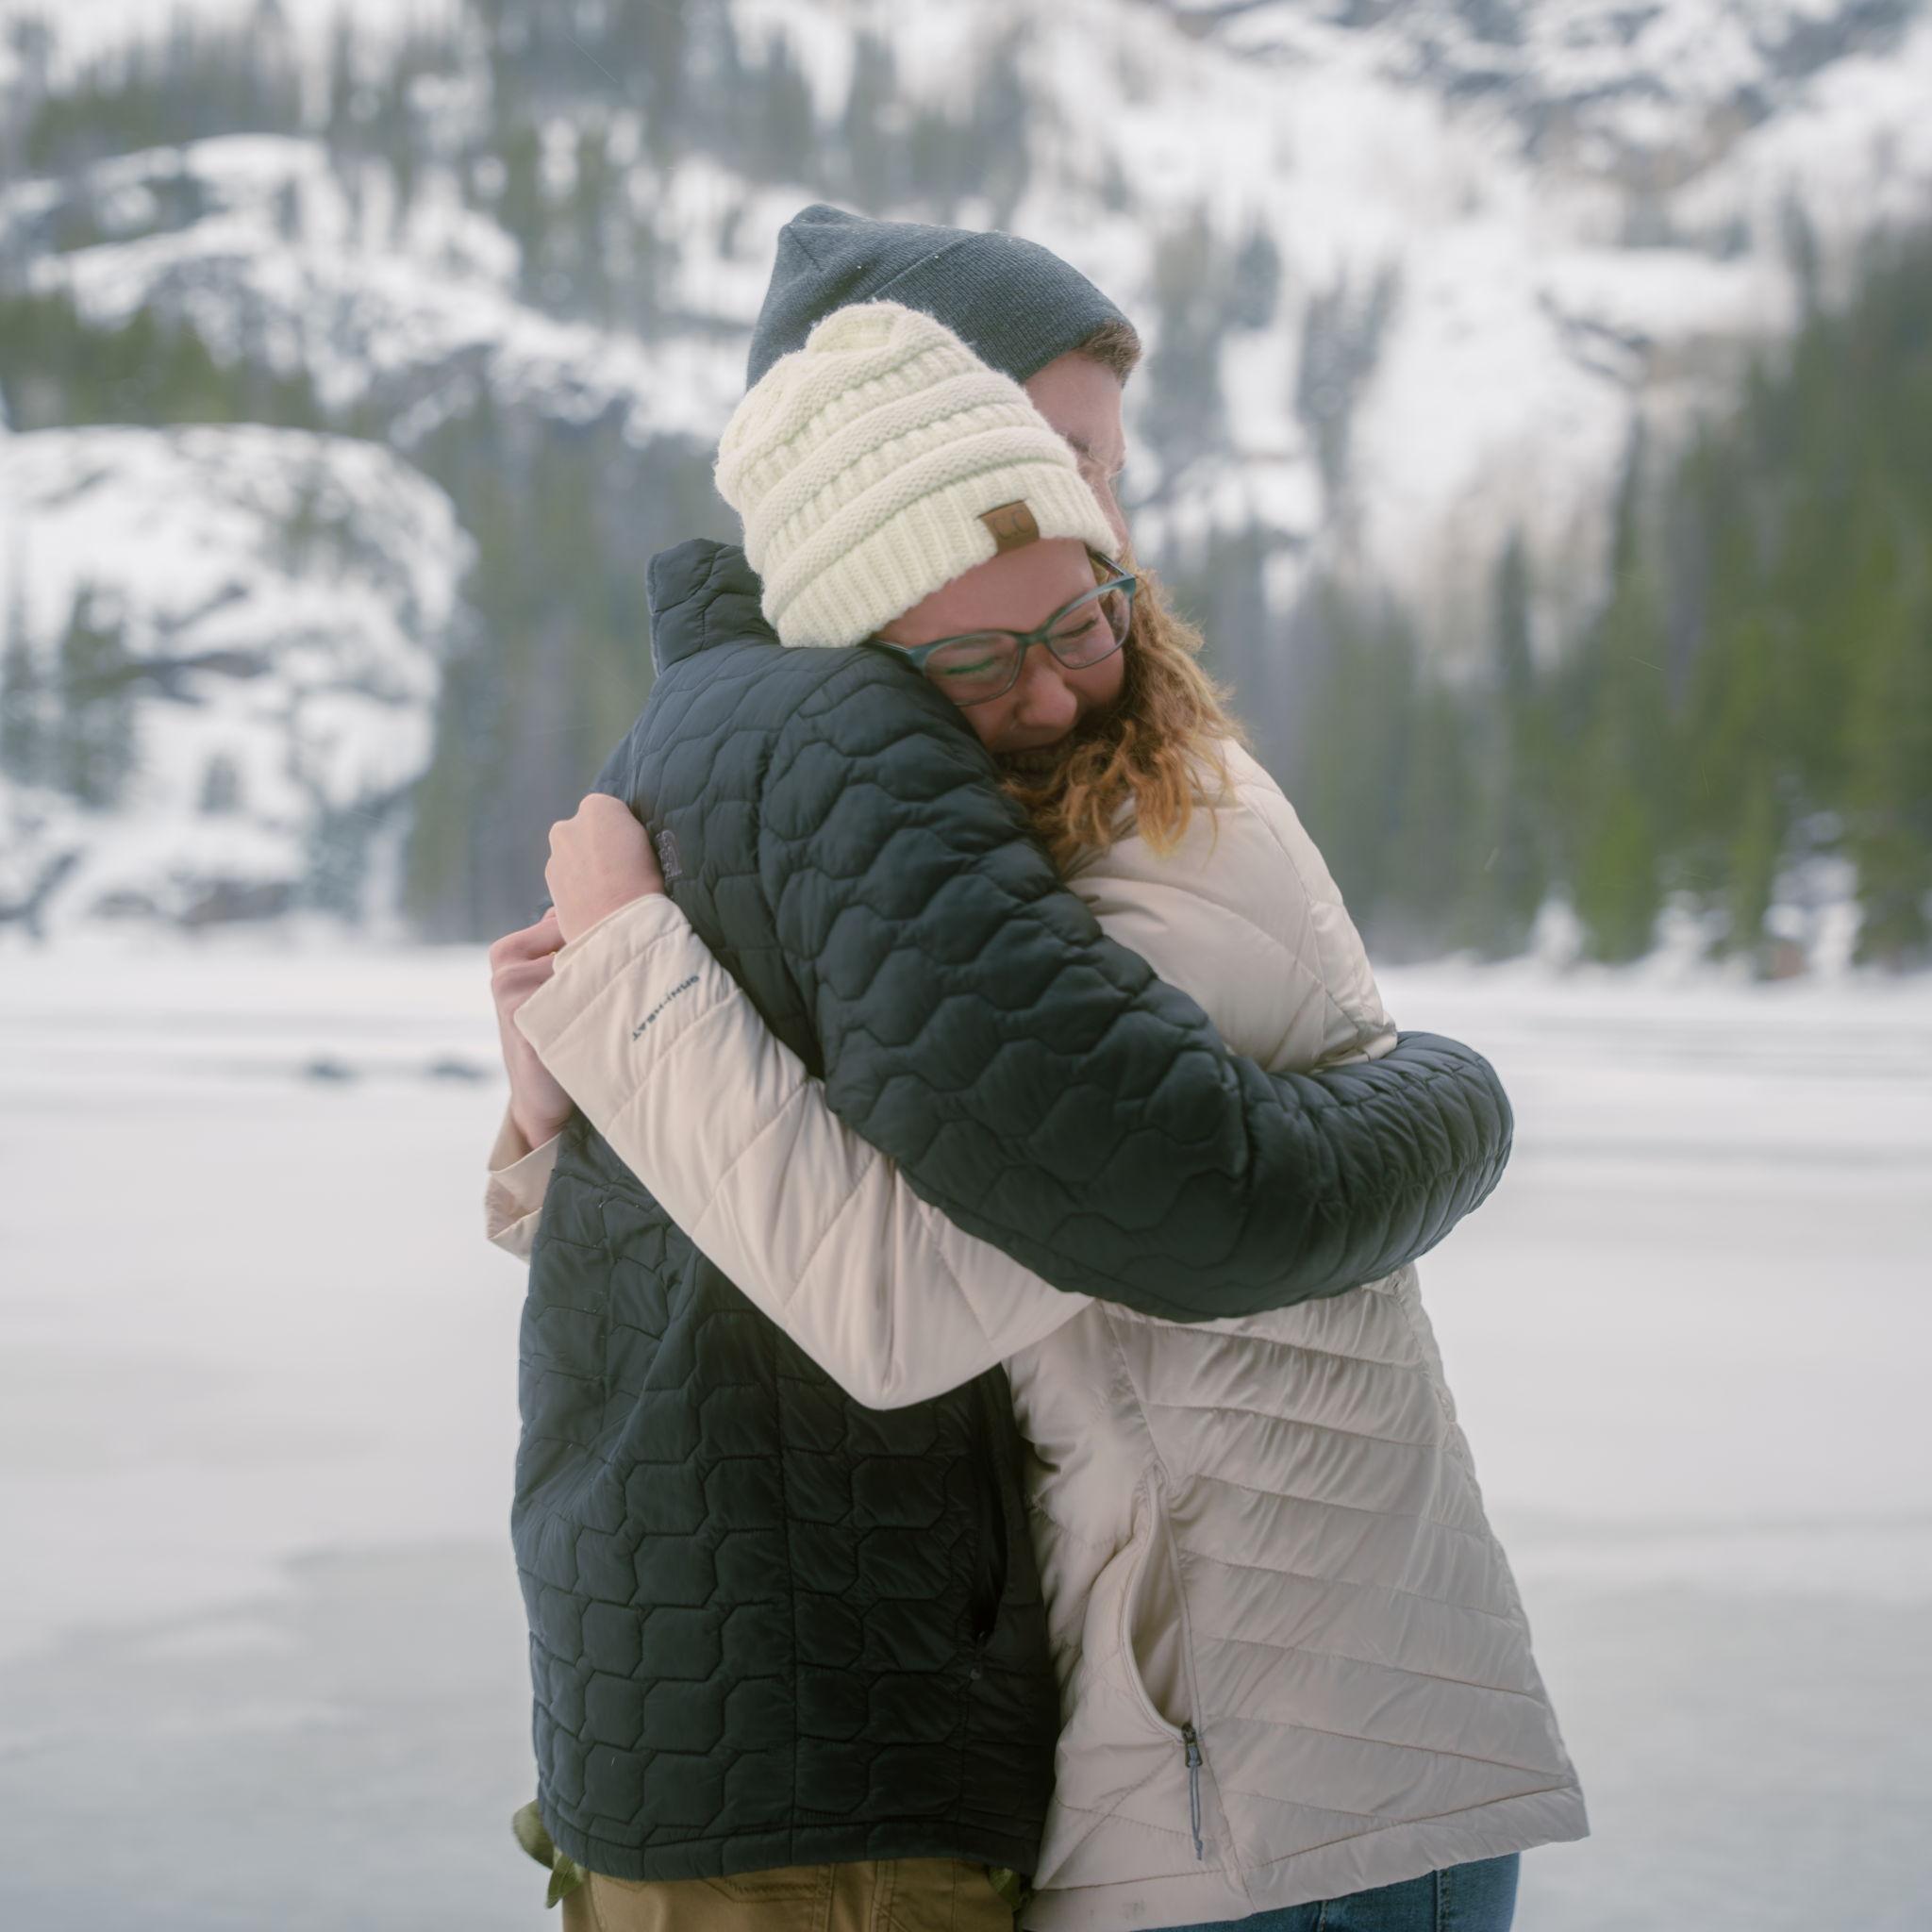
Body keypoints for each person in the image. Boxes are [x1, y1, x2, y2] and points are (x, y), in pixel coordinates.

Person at [485, 209, 1524, 1931]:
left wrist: (635, 973)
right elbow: (769, 1218)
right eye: (1036, 449)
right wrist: (548, 1119)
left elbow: (902, 1287)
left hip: (1289, 1773)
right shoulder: (932, 840)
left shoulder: (1156, 830)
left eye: (1095, 466)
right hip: (1164, 1762)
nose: (1076, 509)